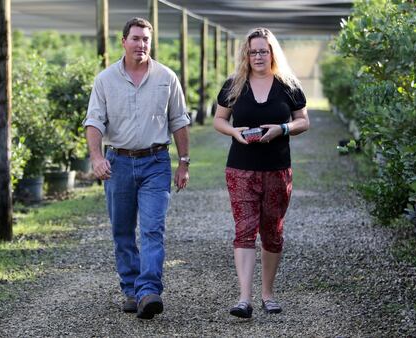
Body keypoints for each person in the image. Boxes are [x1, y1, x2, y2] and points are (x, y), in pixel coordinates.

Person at [83, 17, 191, 320]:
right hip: (117, 162)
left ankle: (148, 292)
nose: (141, 44)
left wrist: (184, 163)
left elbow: (179, 122)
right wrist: (95, 157)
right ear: (123, 41)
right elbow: (94, 121)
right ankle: (131, 290)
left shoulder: (167, 78)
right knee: (122, 231)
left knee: (153, 229)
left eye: (146, 39)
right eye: (135, 38)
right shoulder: (105, 80)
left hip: (156, 161)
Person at [213, 27, 310, 318]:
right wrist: (234, 131)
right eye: (252, 51)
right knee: (243, 231)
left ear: (272, 53)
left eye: (263, 51)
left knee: (272, 231)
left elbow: (303, 121)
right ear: (246, 54)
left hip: (277, 169)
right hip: (240, 169)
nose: (257, 56)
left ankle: (268, 294)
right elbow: (219, 119)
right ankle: (244, 299)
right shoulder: (234, 85)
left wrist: (282, 129)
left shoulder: (288, 85)